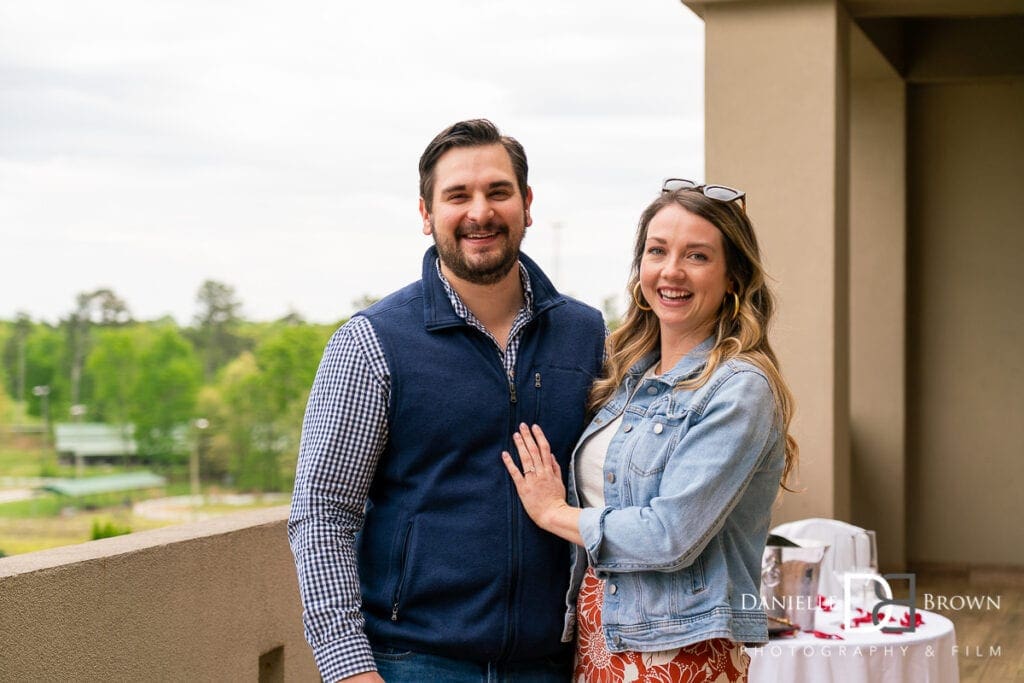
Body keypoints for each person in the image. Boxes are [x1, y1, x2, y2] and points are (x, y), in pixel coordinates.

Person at [288, 119, 606, 683]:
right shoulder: (372, 342)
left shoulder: (585, 335)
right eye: (457, 195)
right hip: (413, 663)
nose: (479, 212)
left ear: (527, 205)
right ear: (426, 213)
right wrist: (349, 672)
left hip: (551, 665)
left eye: (498, 192)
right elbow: (322, 513)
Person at [502, 179, 798, 682]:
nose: (671, 271)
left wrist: (554, 512)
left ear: (733, 277)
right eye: (657, 251)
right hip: (601, 637)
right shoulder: (629, 376)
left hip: (678, 650)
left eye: (697, 256)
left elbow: (669, 535)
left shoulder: (739, 388)